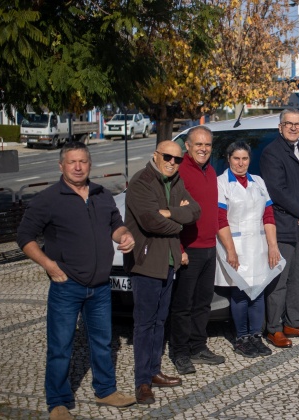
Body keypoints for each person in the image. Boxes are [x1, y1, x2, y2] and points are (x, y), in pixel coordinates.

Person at [16, 142, 136, 419]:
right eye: (72, 162)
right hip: (66, 286)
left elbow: (115, 225)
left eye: (82, 161)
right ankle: (57, 402)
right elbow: (25, 237)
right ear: (62, 166)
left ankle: (105, 390)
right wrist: (48, 265)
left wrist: (124, 236)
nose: (78, 167)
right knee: (60, 345)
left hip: (101, 286)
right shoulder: (48, 199)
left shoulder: (102, 193)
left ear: (90, 164)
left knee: (103, 342)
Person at [124, 140, 201, 404]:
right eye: (167, 157)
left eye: (178, 159)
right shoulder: (141, 182)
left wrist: (171, 213)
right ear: (155, 155)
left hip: (169, 262)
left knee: (160, 321)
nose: (172, 162)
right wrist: (178, 223)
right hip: (146, 263)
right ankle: (142, 382)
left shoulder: (175, 180)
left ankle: (154, 370)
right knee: (144, 323)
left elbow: (195, 210)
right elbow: (150, 221)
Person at [259, 109, 299, 348]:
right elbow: (278, 192)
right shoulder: (272, 153)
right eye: (289, 124)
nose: (294, 128)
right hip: (283, 225)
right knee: (279, 281)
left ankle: (292, 323)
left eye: (298, 124)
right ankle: (274, 328)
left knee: (297, 278)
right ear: (280, 126)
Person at [215, 142, 282, 358]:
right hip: (235, 245)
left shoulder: (259, 182)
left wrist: (273, 246)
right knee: (241, 292)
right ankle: (242, 337)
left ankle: (256, 336)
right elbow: (220, 219)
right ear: (228, 159)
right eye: (236, 158)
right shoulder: (222, 183)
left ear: (249, 160)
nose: (241, 163)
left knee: (258, 290)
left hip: (259, 245)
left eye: (244, 159)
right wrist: (231, 251)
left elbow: (268, 216)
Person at [169, 126, 225, 376]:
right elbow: (171, 213)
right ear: (188, 147)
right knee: (183, 305)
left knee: (203, 303)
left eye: (207, 145)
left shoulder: (211, 171)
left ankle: (198, 346)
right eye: (198, 144)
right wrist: (179, 248)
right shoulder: (180, 172)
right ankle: (180, 352)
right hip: (188, 249)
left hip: (208, 247)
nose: (203, 149)